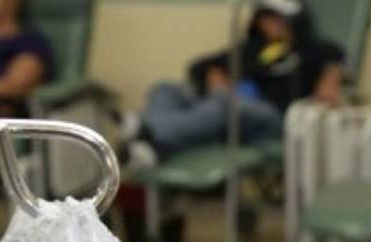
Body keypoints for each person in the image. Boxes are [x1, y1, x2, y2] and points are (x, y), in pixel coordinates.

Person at [120, 0, 345, 167]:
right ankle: (154, 148)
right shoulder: (251, 49)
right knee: (164, 88)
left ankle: (146, 129)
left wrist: (330, 78)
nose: (271, 25)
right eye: (266, 19)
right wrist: (215, 75)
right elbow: (200, 66)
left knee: (222, 104)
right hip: (223, 109)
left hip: (271, 117)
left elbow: (337, 60)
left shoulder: (315, 50)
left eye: (278, 19)